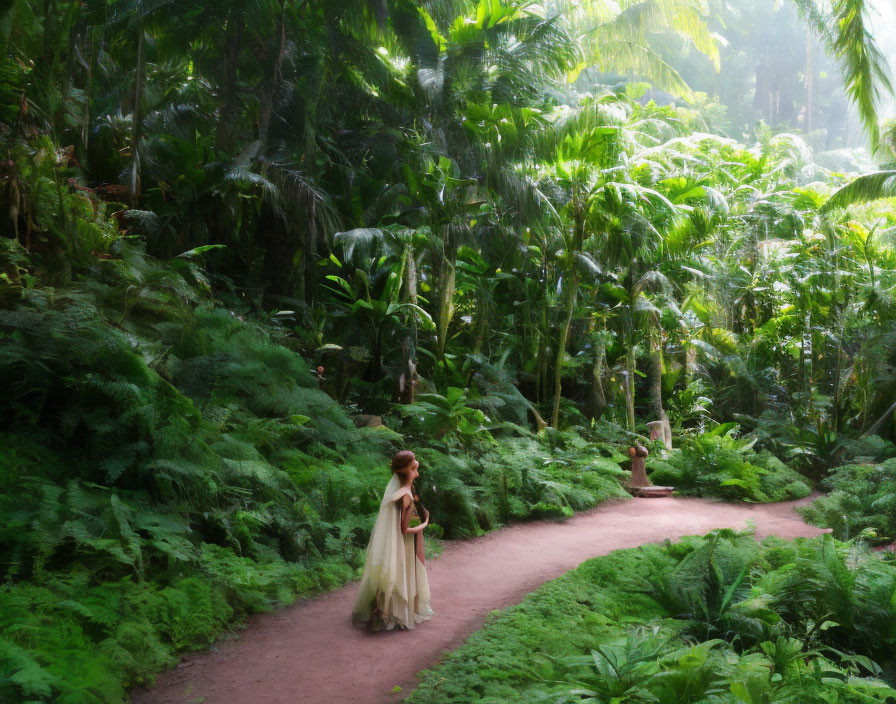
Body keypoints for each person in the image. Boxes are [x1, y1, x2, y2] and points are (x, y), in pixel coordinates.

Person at [352, 450, 434, 630]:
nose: (417, 468)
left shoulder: (399, 491)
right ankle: (393, 613)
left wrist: (411, 463)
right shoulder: (405, 495)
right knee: (401, 573)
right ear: (410, 469)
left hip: (400, 541)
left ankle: (386, 610)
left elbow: (414, 467)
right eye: (414, 466)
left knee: (398, 573)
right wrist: (424, 524)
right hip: (404, 543)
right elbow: (404, 529)